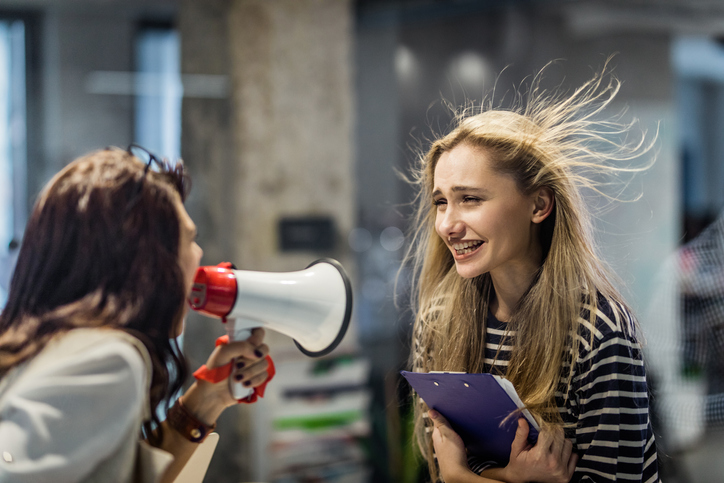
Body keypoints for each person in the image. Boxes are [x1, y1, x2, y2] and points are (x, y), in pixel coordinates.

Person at [404, 67, 660, 482]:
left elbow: (453, 473)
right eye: (440, 202)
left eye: (470, 199)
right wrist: (513, 478)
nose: (448, 224)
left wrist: (463, 476)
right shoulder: (438, 320)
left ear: (539, 205)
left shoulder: (599, 333)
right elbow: (441, 472)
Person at [0, 146, 272, 482]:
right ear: (147, 262)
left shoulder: (46, 345)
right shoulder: (107, 358)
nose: (199, 256)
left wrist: (207, 401)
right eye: (188, 239)